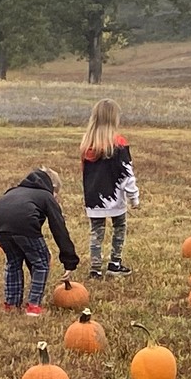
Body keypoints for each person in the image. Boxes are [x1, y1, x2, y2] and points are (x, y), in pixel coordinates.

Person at [0, 167, 80, 317]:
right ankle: (33, 306)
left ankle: (11, 304)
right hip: (24, 225)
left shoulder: (13, 191)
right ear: (53, 188)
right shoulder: (46, 195)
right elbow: (59, 228)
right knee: (42, 262)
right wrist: (69, 260)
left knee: (13, 262)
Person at [80, 98, 140, 279]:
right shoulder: (119, 144)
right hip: (115, 198)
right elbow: (127, 174)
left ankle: (95, 269)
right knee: (119, 227)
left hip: (93, 199)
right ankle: (115, 263)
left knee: (96, 232)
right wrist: (134, 197)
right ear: (114, 119)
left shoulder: (87, 144)